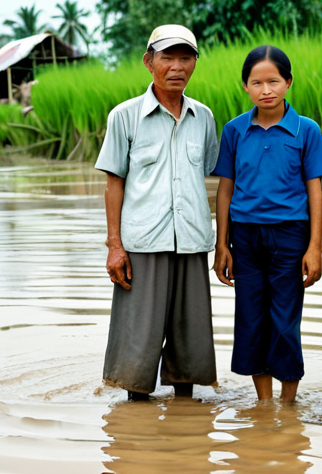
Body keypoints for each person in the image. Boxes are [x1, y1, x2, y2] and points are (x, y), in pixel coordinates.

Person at [94, 25, 219, 401]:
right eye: (168, 57)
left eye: (186, 58)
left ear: (195, 63)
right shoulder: (125, 116)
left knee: (191, 344)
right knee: (137, 349)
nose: (177, 67)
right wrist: (114, 245)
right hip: (142, 244)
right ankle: (136, 424)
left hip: (192, 241)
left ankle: (184, 418)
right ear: (149, 62)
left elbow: (209, 178)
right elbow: (113, 184)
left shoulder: (204, 118)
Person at [213, 45, 322, 402]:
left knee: (284, 320)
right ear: (245, 87)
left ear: (288, 82)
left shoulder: (305, 131)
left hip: (290, 236)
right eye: (256, 83)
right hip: (245, 238)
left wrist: (314, 247)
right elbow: (224, 190)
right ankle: (264, 403)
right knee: (251, 318)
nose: (266, 90)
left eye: (274, 81)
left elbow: (315, 192)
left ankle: (289, 402)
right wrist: (222, 245)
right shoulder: (235, 131)